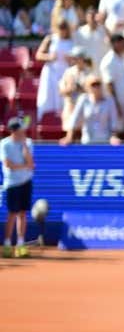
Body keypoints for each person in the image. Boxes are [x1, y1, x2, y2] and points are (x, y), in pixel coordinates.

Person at [1, 117, 34, 258]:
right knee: (12, 214)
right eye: (20, 129)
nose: (23, 131)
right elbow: (8, 164)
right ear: (14, 131)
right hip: (12, 184)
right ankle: (7, 244)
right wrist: (25, 166)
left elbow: (31, 163)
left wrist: (25, 147)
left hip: (26, 182)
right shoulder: (4, 144)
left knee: (22, 213)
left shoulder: (28, 143)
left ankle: (21, 244)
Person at [61, 76, 122, 146]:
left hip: (105, 142)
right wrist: (69, 137)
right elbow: (75, 119)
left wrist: (114, 136)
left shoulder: (109, 100)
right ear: (87, 87)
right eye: (93, 84)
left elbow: (114, 121)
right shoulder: (83, 99)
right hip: (87, 141)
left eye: (98, 84)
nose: (96, 87)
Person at [35, 19, 75, 119]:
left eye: (64, 28)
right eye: (60, 28)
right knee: (47, 100)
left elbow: (76, 61)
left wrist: (70, 60)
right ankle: (44, 122)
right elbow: (38, 55)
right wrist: (49, 57)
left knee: (63, 101)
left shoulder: (72, 41)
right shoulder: (50, 39)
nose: (62, 30)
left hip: (65, 75)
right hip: (50, 75)